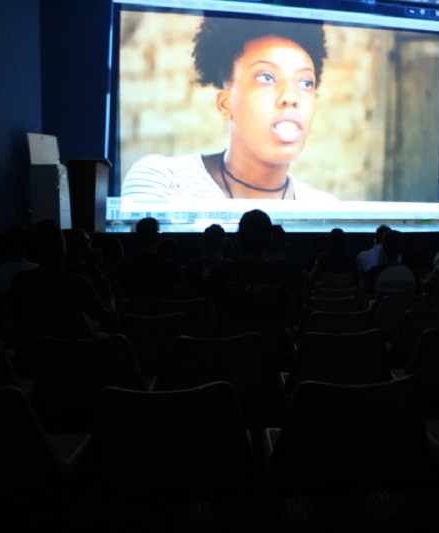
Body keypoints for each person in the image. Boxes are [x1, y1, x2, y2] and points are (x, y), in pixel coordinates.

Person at [121, 17, 336, 201]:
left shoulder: (325, 207)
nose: (291, 96)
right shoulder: (162, 181)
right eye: (266, 77)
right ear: (225, 103)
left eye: (306, 83)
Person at [207, 209, 297, 367]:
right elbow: (289, 321)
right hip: (268, 364)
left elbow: (210, 321)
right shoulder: (284, 278)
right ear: (270, 239)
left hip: (226, 361)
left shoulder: (218, 274)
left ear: (237, 237)